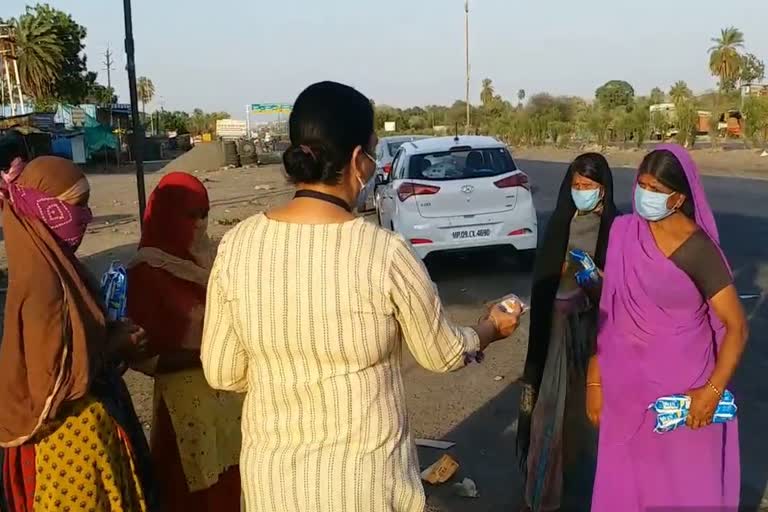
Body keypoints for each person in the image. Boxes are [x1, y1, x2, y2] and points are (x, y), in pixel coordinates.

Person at [200, 81, 522, 512]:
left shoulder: (238, 244)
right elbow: (441, 354)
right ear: (357, 160)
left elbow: (222, 372)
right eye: (372, 152)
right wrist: (490, 328)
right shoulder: (384, 253)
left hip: (272, 487)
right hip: (365, 487)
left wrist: (286, 371)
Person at [590, 144, 747, 511]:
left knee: (682, 490)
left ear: (679, 197)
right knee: (627, 487)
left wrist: (710, 393)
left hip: (683, 397)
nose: (646, 195)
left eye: (657, 190)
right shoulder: (624, 232)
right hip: (626, 392)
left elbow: (736, 326)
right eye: (642, 184)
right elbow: (607, 313)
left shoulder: (698, 250)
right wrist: (594, 380)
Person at [0, 153, 157, 511]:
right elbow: (51, 383)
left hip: (88, 439)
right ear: (45, 210)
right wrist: (114, 345)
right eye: (76, 207)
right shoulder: (43, 283)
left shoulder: (56, 265)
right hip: (69, 448)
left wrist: (109, 334)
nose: (84, 218)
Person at [126, 172, 243, 512]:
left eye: (204, 213)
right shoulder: (147, 270)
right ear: (164, 214)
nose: (199, 223)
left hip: (230, 406)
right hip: (184, 416)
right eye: (189, 215)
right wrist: (207, 357)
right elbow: (141, 356)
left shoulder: (211, 260)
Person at [517, 153, 617, 512]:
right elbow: (545, 281)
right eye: (577, 186)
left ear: (603, 189)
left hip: (597, 340)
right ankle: (542, 495)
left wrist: (594, 280)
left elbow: (619, 291)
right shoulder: (561, 223)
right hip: (558, 338)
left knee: (593, 421)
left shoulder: (616, 229)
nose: (582, 192)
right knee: (551, 415)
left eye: (589, 186)